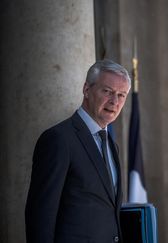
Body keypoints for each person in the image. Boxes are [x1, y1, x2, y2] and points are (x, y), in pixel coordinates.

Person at [25, 59, 131, 243]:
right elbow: (40, 214)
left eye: (121, 95)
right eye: (107, 91)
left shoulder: (112, 146)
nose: (114, 101)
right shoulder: (59, 139)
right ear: (87, 90)